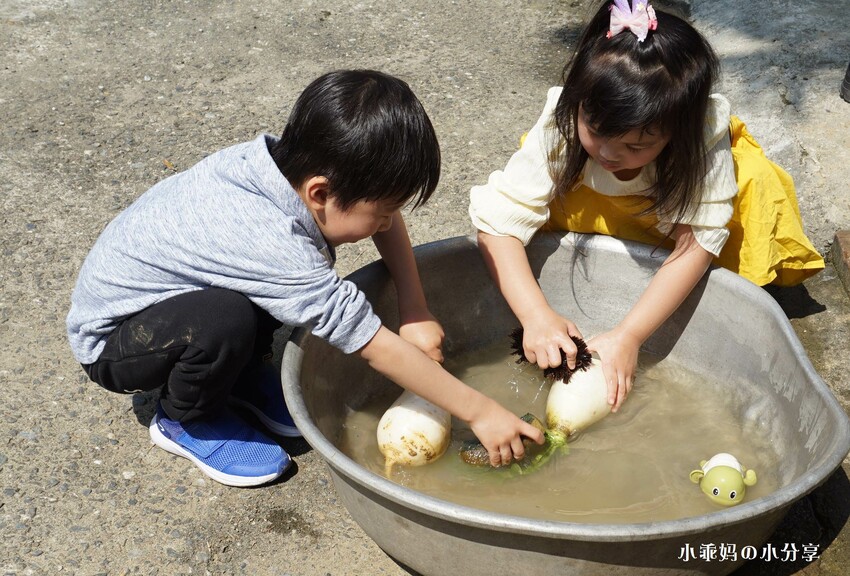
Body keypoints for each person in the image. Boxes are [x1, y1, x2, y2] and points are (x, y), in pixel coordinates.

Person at [67, 69, 543, 487]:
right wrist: (479, 410)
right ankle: (187, 418)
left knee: (245, 308)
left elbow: (386, 218)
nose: (386, 223)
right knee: (223, 319)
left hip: (176, 302)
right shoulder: (271, 239)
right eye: (379, 213)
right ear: (321, 192)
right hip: (118, 339)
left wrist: (415, 308)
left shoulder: (289, 167)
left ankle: (235, 375)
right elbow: (369, 342)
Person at [469, 1, 824, 413]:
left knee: (753, 186)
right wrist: (535, 315)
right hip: (597, 204)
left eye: (636, 146)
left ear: (678, 133)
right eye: (595, 131)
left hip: (671, 203)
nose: (607, 153)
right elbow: (497, 224)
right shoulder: (563, 122)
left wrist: (629, 336)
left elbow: (696, 245)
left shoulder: (700, 139)